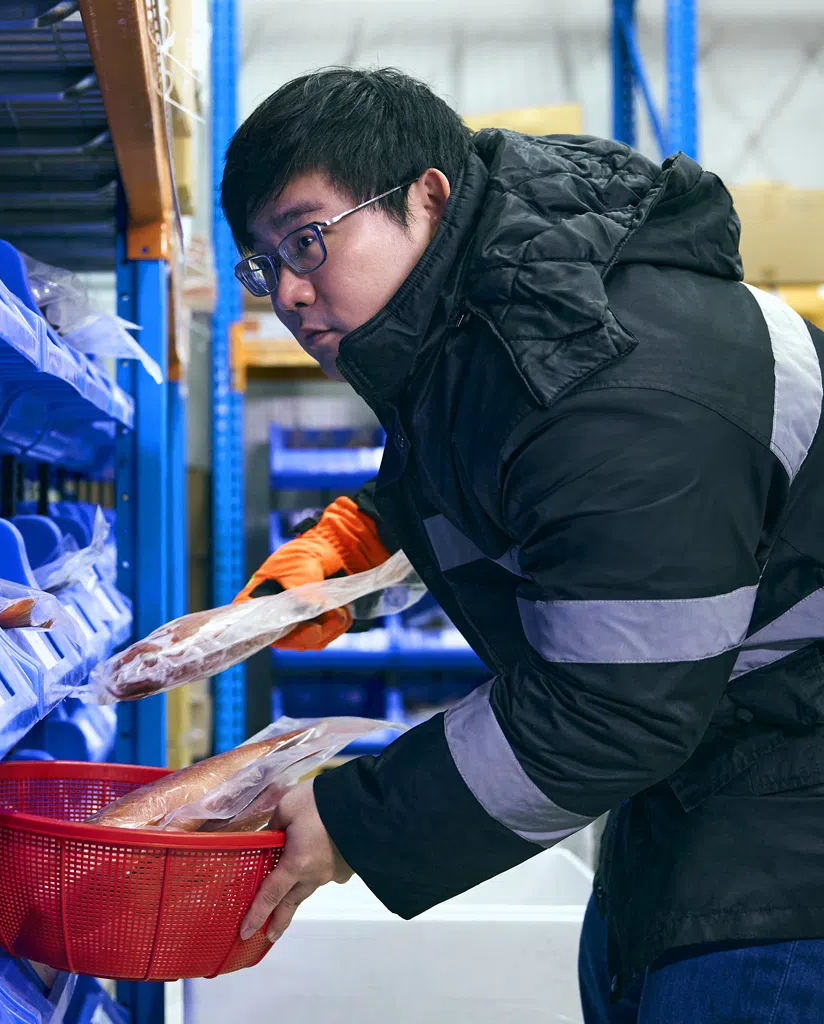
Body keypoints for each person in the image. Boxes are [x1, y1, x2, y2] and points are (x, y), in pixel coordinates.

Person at [221, 67, 824, 1021]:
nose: (289, 294)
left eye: (308, 240)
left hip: (790, 835)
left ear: (427, 197)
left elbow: (612, 703)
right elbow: (515, 488)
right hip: (703, 789)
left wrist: (354, 822)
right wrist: (353, 551)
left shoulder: (616, 376)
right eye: (265, 263)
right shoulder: (509, 322)